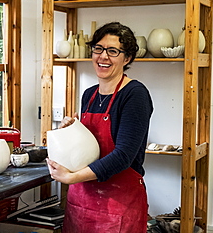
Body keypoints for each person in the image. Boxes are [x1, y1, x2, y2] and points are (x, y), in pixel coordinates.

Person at [46, 22, 153, 233]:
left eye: (113, 51)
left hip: (118, 205)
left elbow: (123, 156)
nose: (103, 57)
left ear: (127, 58)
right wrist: (72, 130)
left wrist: (70, 178)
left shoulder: (135, 95)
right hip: (82, 201)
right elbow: (88, 150)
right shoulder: (89, 94)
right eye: (98, 49)